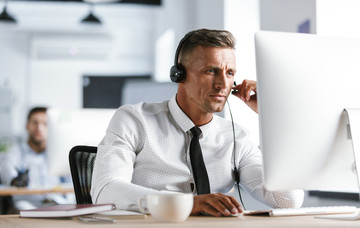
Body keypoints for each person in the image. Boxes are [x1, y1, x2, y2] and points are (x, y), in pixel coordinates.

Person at [91, 28, 304, 217]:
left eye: (230, 73)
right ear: (179, 75)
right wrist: (187, 203)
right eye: (211, 71)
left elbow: (289, 200)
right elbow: (106, 189)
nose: (222, 84)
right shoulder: (135, 120)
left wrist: (272, 116)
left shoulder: (236, 138)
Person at [0, 107, 71, 213]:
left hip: (57, 202)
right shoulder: (14, 153)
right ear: (27, 126)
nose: (39, 128)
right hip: (27, 204)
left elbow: (71, 183)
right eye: (35, 123)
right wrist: (17, 181)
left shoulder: (59, 153)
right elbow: (9, 176)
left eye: (45, 124)